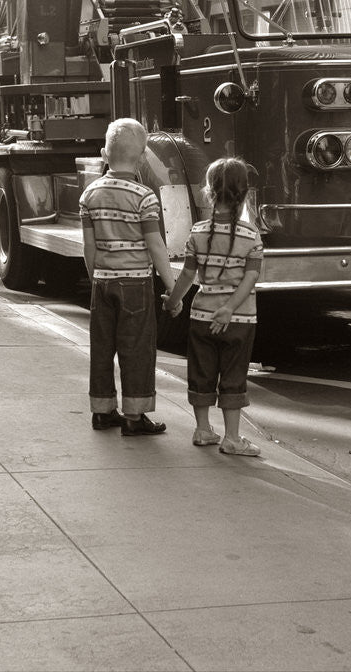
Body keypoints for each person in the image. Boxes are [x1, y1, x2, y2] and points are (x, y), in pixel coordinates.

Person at [79, 118, 175, 436]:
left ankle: (102, 411)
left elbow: (88, 246)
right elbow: (156, 245)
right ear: (142, 156)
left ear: (105, 153)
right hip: (135, 283)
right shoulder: (144, 197)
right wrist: (172, 286)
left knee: (102, 347)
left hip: (102, 281)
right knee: (136, 349)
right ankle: (134, 416)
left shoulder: (90, 194)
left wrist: (96, 276)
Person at [163, 157, 263, 456]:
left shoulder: (197, 232)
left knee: (202, 373)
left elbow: (188, 275)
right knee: (233, 377)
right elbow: (251, 279)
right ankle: (232, 438)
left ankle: (203, 429)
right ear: (245, 194)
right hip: (240, 319)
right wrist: (230, 308)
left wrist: (173, 300)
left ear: (208, 192)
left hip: (201, 316)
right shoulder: (252, 236)